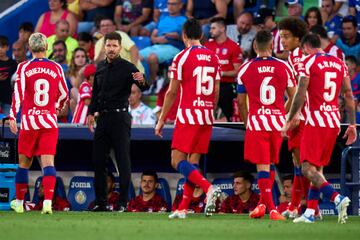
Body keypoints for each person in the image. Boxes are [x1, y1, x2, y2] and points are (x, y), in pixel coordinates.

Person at [282, 33, 357, 224]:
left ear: (306, 47)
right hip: (333, 122)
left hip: (315, 122)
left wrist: (289, 119)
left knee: (306, 167)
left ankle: (336, 198)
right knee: (317, 168)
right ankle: (311, 212)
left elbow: (299, 94)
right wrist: (352, 124)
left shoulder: (308, 62)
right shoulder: (339, 63)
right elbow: (348, 95)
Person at [155, 18, 222, 219]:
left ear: (184, 36)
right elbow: (217, 89)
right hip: (206, 115)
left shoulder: (182, 57)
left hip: (189, 115)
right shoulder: (213, 57)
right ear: (201, 35)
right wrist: (210, 109)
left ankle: (209, 188)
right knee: (193, 162)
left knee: (177, 161)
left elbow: (171, 92)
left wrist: (161, 119)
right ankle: (183, 207)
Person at [236, 30, 296, 221]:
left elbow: (240, 101)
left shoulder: (245, 69)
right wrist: (282, 113)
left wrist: (247, 123)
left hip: (257, 123)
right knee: (268, 164)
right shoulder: (284, 66)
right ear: (272, 46)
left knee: (262, 167)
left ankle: (272, 210)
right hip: (277, 124)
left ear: (254, 47)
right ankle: (262, 205)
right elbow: (295, 97)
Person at [87, 32, 148, 212]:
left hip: (120, 118)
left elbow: (145, 86)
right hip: (103, 118)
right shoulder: (99, 67)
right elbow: (95, 94)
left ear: (120, 48)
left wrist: (142, 79)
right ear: (104, 47)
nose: (111, 49)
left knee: (123, 161)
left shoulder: (128, 67)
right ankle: (101, 202)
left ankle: (122, 203)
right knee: (98, 161)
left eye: (114, 46)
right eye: (108, 45)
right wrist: (91, 113)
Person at [9, 32, 69, 214]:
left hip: (29, 122)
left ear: (29, 48)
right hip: (49, 122)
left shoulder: (23, 68)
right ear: (47, 47)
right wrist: (56, 108)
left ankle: (19, 203)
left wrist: (12, 116)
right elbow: (65, 94)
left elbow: (17, 95)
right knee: (48, 163)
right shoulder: (57, 67)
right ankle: (48, 204)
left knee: (23, 164)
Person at [278, 16, 310, 219]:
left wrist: (290, 114)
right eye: (281, 36)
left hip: (303, 116)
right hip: (306, 114)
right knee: (299, 162)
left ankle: (305, 206)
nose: (283, 40)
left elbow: (300, 90)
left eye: (287, 37)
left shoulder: (298, 56)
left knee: (302, 163)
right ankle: (298, 205)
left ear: (298, 39)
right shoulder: (295, 56)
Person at [140, 0, 187, 84]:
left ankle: (153, 83)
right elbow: (153, 36)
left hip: (174, 47)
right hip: (157, 46)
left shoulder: (184, 20)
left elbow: (187, 39)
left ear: (180, 5)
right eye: (168, 4)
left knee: (152, 57)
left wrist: (177, 36)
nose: (170, 6)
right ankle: (137, 83)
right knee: (136, 56)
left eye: (173, 4)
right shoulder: (163, 17)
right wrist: (157, 39)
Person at [205, 17, 242, 122]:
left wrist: (221, 73)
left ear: (222, 29)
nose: (210, 31)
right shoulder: (207, 46)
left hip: (226, 86)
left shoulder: (233, 47)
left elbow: (238, 71)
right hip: (209, 86)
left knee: (228, 115)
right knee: (208, 116)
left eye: (213, 28)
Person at [0, 36, 17, 115]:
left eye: (2, 47)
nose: (0, 49)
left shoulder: (13, 63)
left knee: (7, 125)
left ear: (7, 47)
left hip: (8, 99)